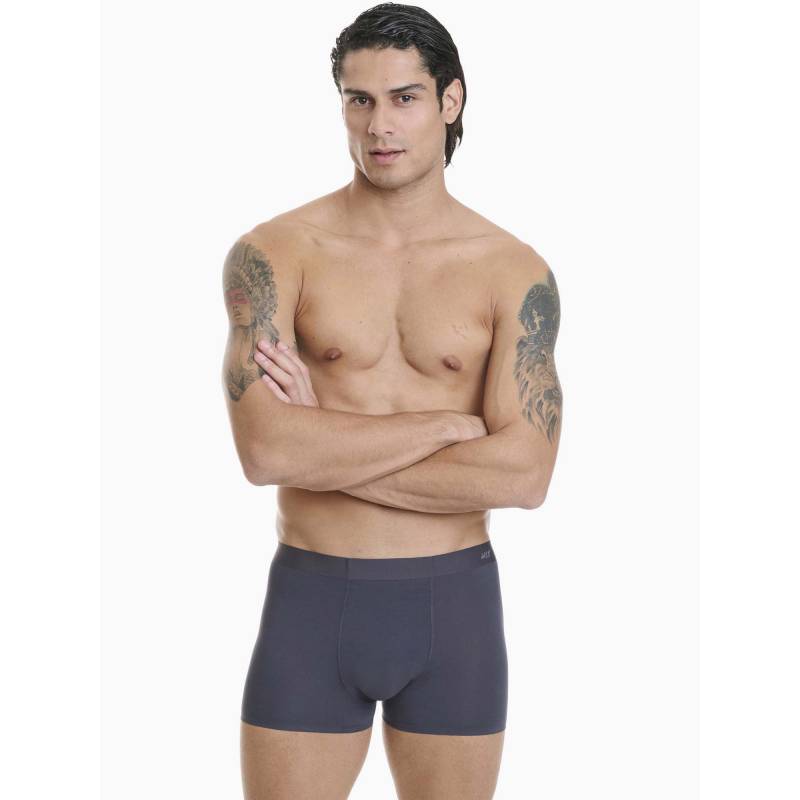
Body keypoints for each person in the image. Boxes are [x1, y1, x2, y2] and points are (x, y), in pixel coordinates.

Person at [221, 4, 563, 798]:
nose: (379, 125)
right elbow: (267, 452)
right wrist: (448, 426)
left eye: (404, 98)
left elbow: (523, 476)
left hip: (454, 606)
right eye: (359, 99)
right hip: (311, 601)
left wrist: (323, 443)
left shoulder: (512, 270)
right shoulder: (276, 252)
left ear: (451, 99)